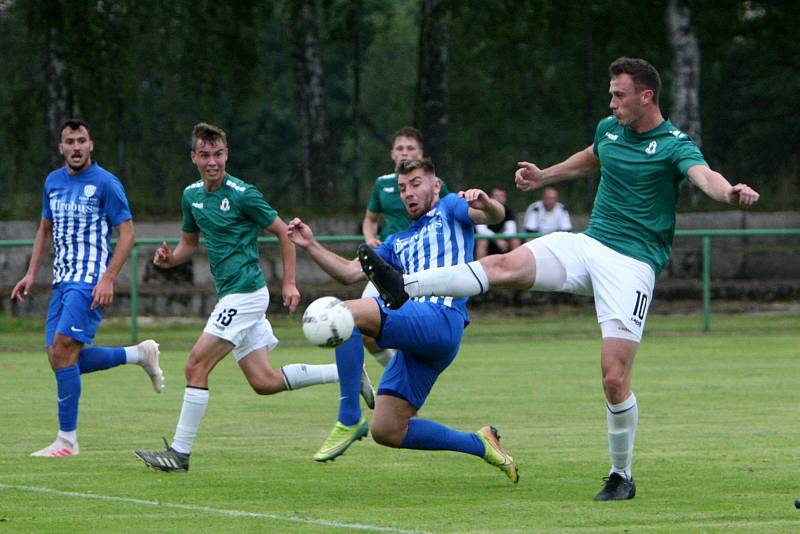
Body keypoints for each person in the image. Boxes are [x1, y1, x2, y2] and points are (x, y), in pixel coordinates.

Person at [359, 58, 760, 500]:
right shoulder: (610, 128)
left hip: (632, 265)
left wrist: (730, 192)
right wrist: (544, 175)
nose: (611, 102)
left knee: (613, 378)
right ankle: (405, 285)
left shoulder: (673, 144)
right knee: (503, 266)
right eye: (610, 93)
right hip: (588, 245)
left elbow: (704, 176)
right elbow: (591, 158)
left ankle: (621, 475)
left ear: (647, 96)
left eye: (619, 94)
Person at [134, 123, 373, 472]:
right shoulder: (191, 196)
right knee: (264, 382)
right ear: (194, 157)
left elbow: (283, 232)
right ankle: (347, 372)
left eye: (217, 154)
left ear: (227, 154)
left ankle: (180, 454)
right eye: (204, 155)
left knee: (195, 365)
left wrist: (289, 284)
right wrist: (169, 260)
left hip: (245, 295)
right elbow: (189, 244)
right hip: (231, 296)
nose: (212, 162)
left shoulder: (244, 194)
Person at [287, 158, 519, 483]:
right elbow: (350, 272)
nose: (408, 193)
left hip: (441, 317)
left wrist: (489, 203)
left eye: (416, 184)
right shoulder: (397, 241)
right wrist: (310, 245)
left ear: (435, 186)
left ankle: (349, 417)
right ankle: (479, 443)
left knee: (344, 315)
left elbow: (492, 216)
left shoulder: (450, 208)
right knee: (387, 430)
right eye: (402, 188)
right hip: (420, 336)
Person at [10, 118, 164, 457]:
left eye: (82, 140)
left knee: (64, 349)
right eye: (70, 141)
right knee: (60, 357)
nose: (76, 147)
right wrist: (30, 272)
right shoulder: (52, 182)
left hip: (90, 280)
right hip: (62, 281)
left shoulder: (106, 183)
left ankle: (67, 441)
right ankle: (138, 354)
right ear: (61, 147)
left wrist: (108, 278)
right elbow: (44, 230)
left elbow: (128, 235)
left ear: (91, 144)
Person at [360, 126, 449, 367]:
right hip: (387, 261)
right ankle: (392, 372)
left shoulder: (433, 185)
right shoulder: (382, 185)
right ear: (392, 153)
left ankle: (402, 380)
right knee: (359, 326)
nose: (404, 153)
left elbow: (447, 217)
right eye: (400, 148)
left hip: (421, 265)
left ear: (420, 153)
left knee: (412, 329)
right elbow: (370, 219)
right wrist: (370, 238)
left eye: (410, 148)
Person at [475, 186, 521, 258]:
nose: (499, 199)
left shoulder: (508, 211)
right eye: (496, 196)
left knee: (515, 241)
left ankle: (516, 266)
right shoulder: (482, 210)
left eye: (502, 196)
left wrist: (502, 238)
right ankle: (479, 268)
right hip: (488, 241)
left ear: (505, 198)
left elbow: (511, 230)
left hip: (503, 242)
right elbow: (481, 230)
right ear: (489, 198)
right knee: (482, 241)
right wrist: (497, 239)